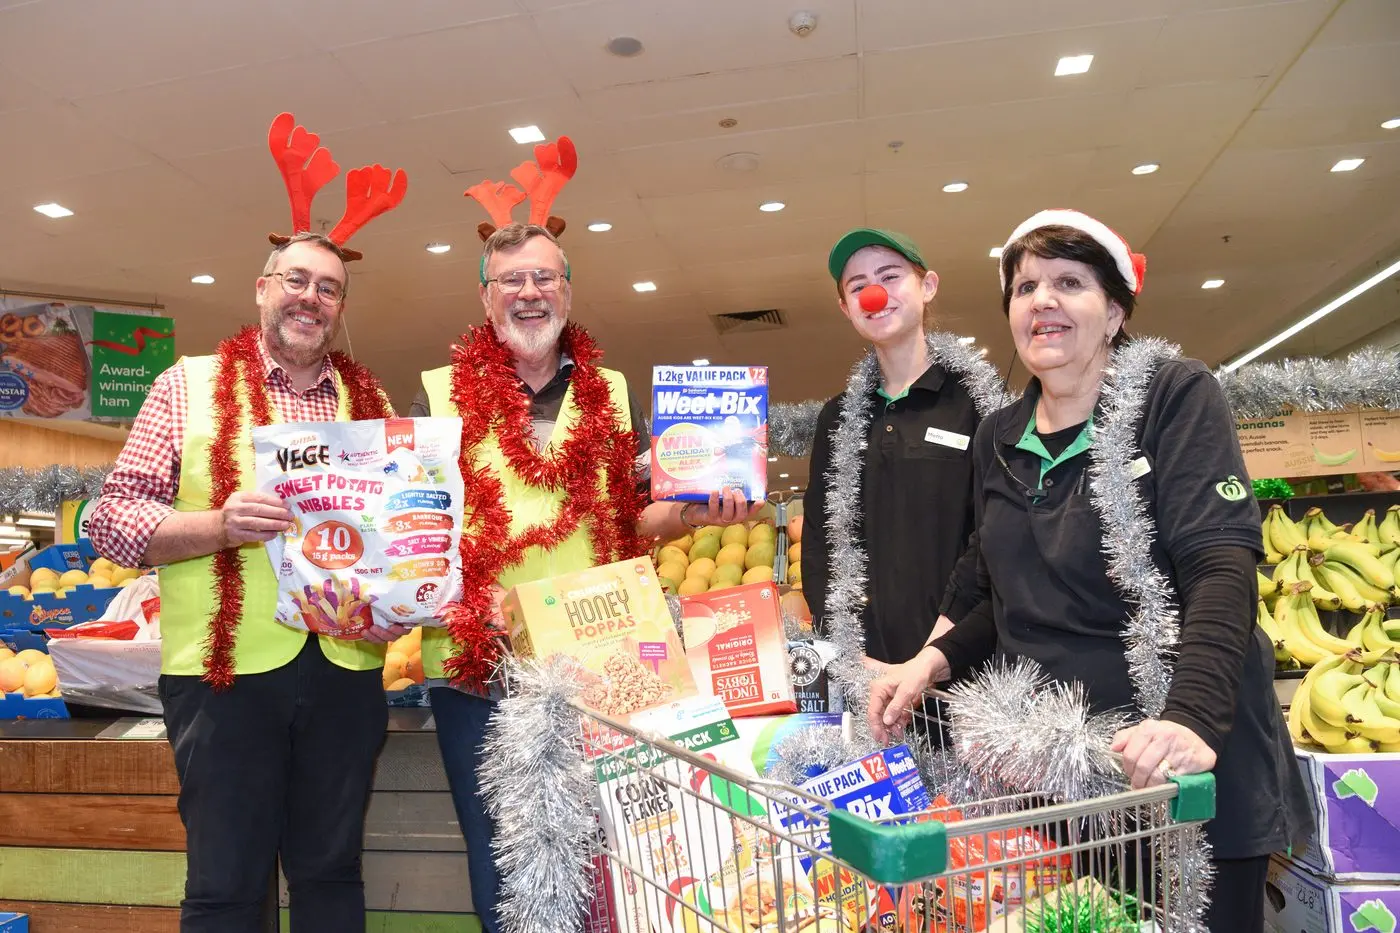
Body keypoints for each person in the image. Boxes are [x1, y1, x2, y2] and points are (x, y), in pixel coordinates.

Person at [868, 210, 1311, 932]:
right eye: (1024, 286)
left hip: (1177, 767)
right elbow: (992, 587)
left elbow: (1219, 563)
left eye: (1068, 282)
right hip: (1061, 781)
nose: (1041, 300)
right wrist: (929, 662)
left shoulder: (1174, 397)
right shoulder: (997, 436)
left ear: (1113, 311)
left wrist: (1191, 717)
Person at [412, 147, 754, 932]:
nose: (530, 293)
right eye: (512, 280)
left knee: (604, 850)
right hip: (480, 669)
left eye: (545, 278)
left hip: (598, 656)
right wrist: (468, 594)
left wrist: (698, 512)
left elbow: (626, 518)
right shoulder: (436, 395)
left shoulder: (612, 391)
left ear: (567, 289)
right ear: (485, 296)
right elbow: (414, 534)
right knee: (502, 858)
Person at [89, 113, 409, 932]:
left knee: (332, 874)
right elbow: (113, 521)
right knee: (227, 885)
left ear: (340, 307)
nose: (311, 297)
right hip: (223, 676)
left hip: (344, 670)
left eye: (328, 287)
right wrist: (219, 525)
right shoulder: (186, 386)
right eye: (295, 279)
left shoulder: (369, 407)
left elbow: (404, 531)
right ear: (263, 289)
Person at [804, 228, 996, 670]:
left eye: (890, 276)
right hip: (864, 667)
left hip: (962, 662)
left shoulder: (978, 403)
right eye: (858, 287)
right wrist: (846, 650)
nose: (874, 294)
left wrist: (940, 651)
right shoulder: (837, 418)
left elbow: (991, 537)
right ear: (845, 307)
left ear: (927, 286)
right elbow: (819, 542)